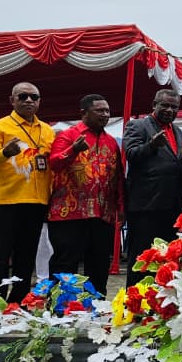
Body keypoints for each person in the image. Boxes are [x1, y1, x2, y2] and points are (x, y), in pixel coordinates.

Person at [0, 82, 56, 301]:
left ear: (40, 101)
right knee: (0, 255)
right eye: (23, 96)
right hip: (7, 200)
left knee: (27, 255)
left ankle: (19, 301)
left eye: (34, 96)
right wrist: (5, 152)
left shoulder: (48, 130)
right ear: (12, 100)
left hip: (38, 200)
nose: (29, 101)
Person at [47, 94, 123, 296]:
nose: (105, 115)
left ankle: (95, 304)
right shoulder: (67, 135)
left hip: (103, 214)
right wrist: (73, 150)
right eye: (100, 110)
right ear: (84, 113)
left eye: (107, 111)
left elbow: (118, 178)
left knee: (98, 263)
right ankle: (59, 306)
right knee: (66, 263)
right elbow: (53, 163)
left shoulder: (112, 142)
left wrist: (121, 208)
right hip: (69, 213)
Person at [122, 89, 182, 286]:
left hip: (173, 207)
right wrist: (151, 145)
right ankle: (135, 303)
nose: (169, 110)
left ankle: (158, 304)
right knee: (142, 259)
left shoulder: (179, 132)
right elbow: (131, 154)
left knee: (166, 259)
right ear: (154, 104)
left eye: (174, 107)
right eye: (165, 105)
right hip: (146, 207)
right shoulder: (137, 126)